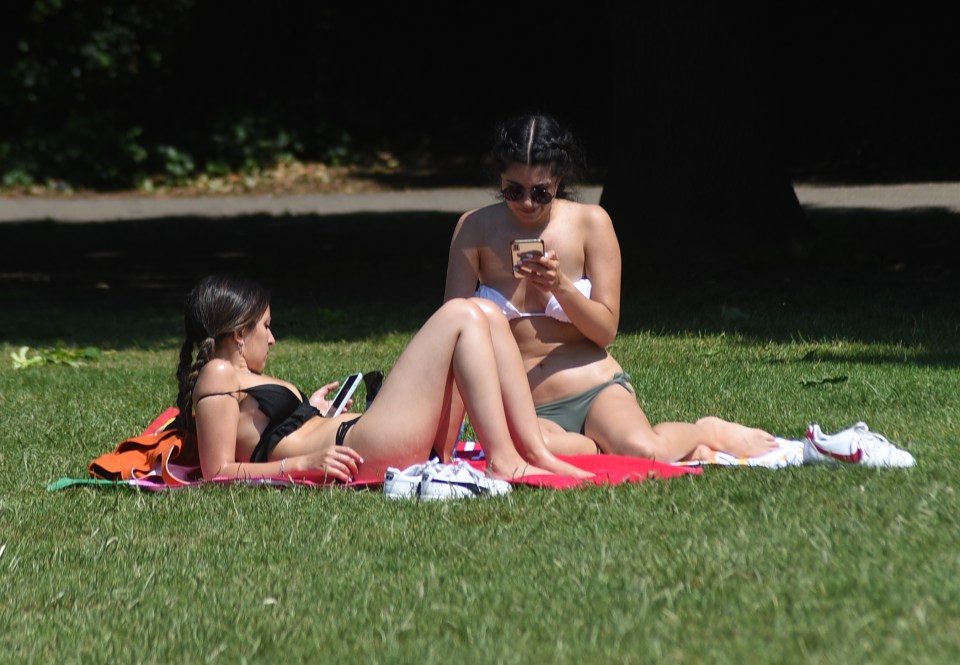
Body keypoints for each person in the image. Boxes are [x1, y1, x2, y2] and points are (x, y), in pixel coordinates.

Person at [443, 112, 781, 463]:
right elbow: (452, 334)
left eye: (540, 192)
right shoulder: (475, 229)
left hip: (592, 387)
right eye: (513, 191)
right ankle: (595, 446)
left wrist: (562, 287)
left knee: (644, 450)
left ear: (558, 181)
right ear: (499, 179)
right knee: (531, 450)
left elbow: (605, 330)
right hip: (525, 407)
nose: (527, 203)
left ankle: (707, 430)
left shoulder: (591, 223)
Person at [175, 274, 593, 484]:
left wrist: (312, 410)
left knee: (485, 312)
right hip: (357, 448)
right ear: (238, 334)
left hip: (362, 438)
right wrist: (299, 463)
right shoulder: (218, 373)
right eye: (265, 327)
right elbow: (217, 473)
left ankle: (531, 450)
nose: (272, 337)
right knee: (462, 313)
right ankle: (505, 460)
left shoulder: (241, 376)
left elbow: (264, 433)